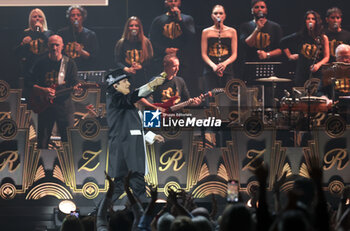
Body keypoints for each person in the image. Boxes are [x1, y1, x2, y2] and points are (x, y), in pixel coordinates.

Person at [105, 68, 165, 203]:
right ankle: (146, 218)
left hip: (129, 155)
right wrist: (151, 85)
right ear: (115, 86)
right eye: (125, 81)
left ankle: (99, 214)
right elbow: (134, 96)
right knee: (138, 189)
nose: (128, 84)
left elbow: (133, 128)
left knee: (119, 188)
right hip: (128, 156)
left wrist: (151, 136)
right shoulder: (115, 99)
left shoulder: (125, 104)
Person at [25, 35, 79, 149]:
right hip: (45, 107)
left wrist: (75, 89)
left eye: (57, 45)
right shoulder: (40, 63)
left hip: (64, 107)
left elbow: (74, 83)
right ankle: (41, 165)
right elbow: (28, 82)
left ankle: (68, 166)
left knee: (68, 142)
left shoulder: (69, 63)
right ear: (47, 46)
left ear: (62, 46)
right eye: (52, 45)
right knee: (42, 142)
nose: (54, 48)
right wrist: (43, 90)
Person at [149, 0, 195, 82]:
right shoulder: (158, 20)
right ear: (165, 3)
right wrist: (165, 50)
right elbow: (152, 40)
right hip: (163, 59)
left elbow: (191, 38)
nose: (173, 3)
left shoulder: (187, 19)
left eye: (175, 1)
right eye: (170, 1)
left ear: (179, 3)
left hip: (182, 60)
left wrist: (180, 20)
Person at [281, 10, 329, 87]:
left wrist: (318, 65)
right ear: (305, 21)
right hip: (301, 72)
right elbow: (283, 42)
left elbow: (327, 57)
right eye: (308, 18)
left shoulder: (323, 38)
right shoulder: (300, 35)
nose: (310, 21)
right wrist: (289, 55)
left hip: (316, 72)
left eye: (313, 19)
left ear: (317, 22)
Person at [240, 0, 282, 83]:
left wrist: (267, 54)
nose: (260, 9)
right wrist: (257, 29)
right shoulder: (245, 26)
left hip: (270, 68)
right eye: (256, 7)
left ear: (266, 10)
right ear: (252, 10)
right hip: (250, 67)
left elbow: (281, 49)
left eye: (262, 7)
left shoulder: (275, 27)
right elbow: (247, 44)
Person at [15, 8, 54, 91]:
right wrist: (22, 43)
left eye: (39, 16)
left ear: (43, 19)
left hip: (46, 69)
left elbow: (53, 48)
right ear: (30, 20)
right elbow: (15, 52)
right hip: (29, 69)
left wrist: (42, 32)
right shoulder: (25, 33)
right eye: (34, 17)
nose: (37, 19)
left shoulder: (49, 33)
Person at [201, 5, 237, 90]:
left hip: (227, 69)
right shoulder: (206, 32)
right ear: (212, 16)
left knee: (227, 97)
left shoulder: (232, 31)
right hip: (210, 69)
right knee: (211, 98)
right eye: (215, 13)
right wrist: (213, 66)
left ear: (224, 16)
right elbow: (204, 54)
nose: (218, 15)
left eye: (220, 13)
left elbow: (234, 54)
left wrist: (224, 64)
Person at [114, 16, 153, 89]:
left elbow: (150, 60)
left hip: (142, 77)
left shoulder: (146, 42)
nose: (134, 28)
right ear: (127, 27)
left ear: (140, 28)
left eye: (136, 26)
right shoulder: (121, 43)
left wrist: (141, 66)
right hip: (126, 77)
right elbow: (117, 61)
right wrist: (127, 69)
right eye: (131, 26)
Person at [58, 5, 99, 71]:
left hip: (84, 68)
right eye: (73, 15)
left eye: (78, 15)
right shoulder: (62, 33)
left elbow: (94, 57)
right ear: (69, 18)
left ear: (83, 17)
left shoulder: (90, 35)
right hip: (67, 69)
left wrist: (81, 51)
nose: (76, 17)